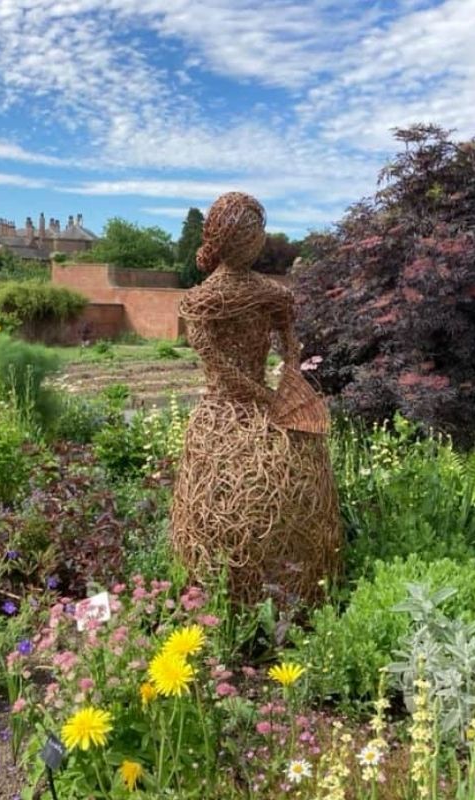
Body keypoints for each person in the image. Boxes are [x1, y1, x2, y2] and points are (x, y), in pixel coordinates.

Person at [171, 192, 341, 605]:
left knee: (286, 489)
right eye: (248, 232)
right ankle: (221, 592)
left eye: (257, 231)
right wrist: (267, 394)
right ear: (225, 239)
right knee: (224, 496)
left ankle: (298, 587)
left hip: (264, 408)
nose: (256, 240)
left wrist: (289, 381)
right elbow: (214, 361)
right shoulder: (201, 301)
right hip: (227, 410)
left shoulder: (273, 294)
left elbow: (291, 344)